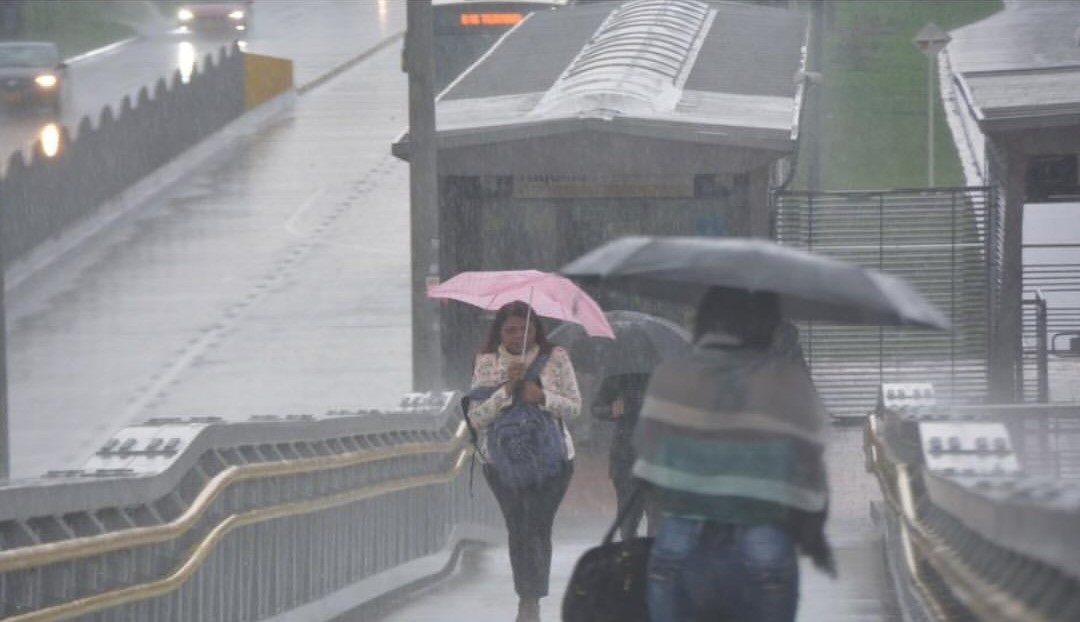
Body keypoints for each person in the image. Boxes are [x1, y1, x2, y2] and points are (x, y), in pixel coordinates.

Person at [633, 287, 834, 622]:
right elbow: (809, 472)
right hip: (763, 544)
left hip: (680, 544)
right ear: (766, 324)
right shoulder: (785, 380)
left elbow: (648, 461)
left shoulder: (671, 376)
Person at [465, 301, 581, 622]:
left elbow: (574, 407)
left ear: (537, 330)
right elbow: (475, 417)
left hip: (553, 461)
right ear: (499, 332)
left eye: (526, 328)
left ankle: (532, 600)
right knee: (518, 528)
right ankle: (526, 599)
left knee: (537, 527)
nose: (518, 335)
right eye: (511, 329)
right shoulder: (486, 361)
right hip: (502, 463)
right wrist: (505, 391)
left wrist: (541, 396)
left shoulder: (556, 358)